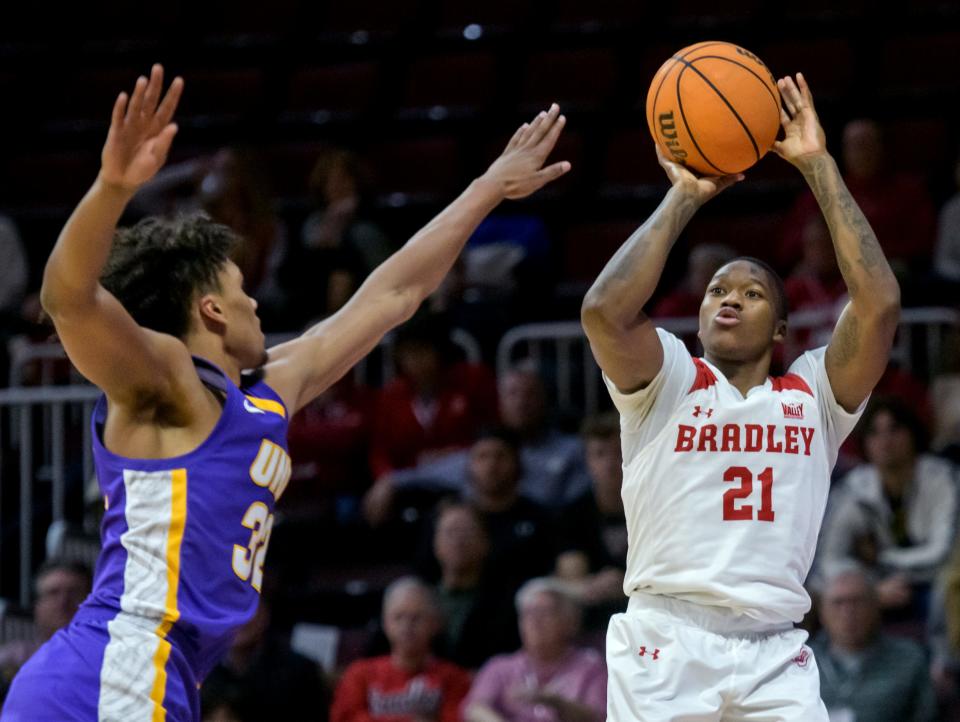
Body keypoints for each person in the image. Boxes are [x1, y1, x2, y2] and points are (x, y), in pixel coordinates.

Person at [0, 64, 569, 721]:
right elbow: (66, 297)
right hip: (115, 668)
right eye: (243, 289)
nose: (257, 303)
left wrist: (487, 187)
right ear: (211, 310)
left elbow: (393, 294)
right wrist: (112, 187)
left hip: (157, 673)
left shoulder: (267, 390)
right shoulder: (164, 380)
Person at [580, 73, 900, 719]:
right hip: (666, 640)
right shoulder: (668, 379)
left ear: (781, 329)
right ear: (698, 317)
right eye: (716, 291)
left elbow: (880, 303)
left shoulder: (812, 394)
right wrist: (683, 198)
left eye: (751, 294)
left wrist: (818, 165)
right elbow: (603, 312)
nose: (728, 297)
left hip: (775, 650)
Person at [818, 397, 958, 614]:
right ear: (865, 442)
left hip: (933, 582)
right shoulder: (855, 488)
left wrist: (880, 559)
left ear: (912, 433)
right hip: (876, 586)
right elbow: (829, 560)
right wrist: (870, 588)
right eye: (874, 432)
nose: (885, 440)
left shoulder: (943, 478)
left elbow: (943, 552)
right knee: (826, 594)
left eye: (894, 429)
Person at [462, 577, 606, 722]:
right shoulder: (500, 666)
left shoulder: (590, 667)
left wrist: (556, 703)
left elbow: (598, 717)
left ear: (570, 622)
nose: (535, 620)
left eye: (545, 612)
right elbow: (474, 708)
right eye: (528, 613)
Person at [330, 577, 471, 722]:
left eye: (416, 618)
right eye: (398, 617)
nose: (406, 626)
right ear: (385, 622)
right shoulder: (359, 674)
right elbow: (345, 717)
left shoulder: (454, 678)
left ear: (435, 623)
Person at [811, 564, 938, 722]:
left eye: (857, 602)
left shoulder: (909, 660)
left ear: (876, 606)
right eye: (838, 603)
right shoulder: (801, 661)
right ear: (822, 612)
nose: (848, 613)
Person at [431, 500, 519, 668]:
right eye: (450, 532)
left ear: (485, 543)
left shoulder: (507, 603)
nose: (458, 541)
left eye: (466, 531)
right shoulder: (417, 601)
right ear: (435, 544)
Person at [0, 560, 91, 693]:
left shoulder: (107, 661)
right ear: (36, 606)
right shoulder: (14, 659)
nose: (63, 602)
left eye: (74, 593)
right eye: (53, 593)